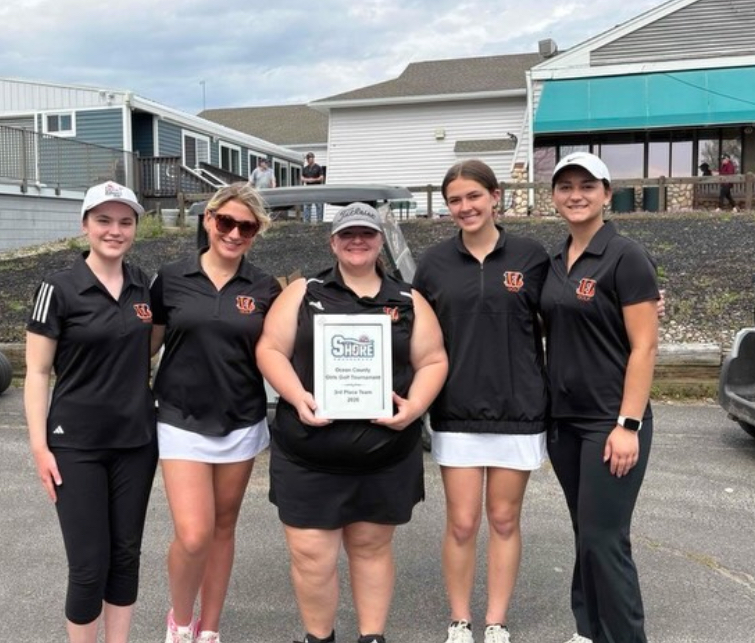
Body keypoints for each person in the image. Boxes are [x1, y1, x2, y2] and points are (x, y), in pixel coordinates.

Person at [257, 202, 448, 643]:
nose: (357, 241)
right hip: (308, 454)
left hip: (382, 455)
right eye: (347, 235)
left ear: (380, 241)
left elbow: (434, 359)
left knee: (371, 549)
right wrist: (296, 396)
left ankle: (371, 637)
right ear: (333, 242)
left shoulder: (406, 300)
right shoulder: (304, 292)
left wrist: (414, 407)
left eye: (366, 234)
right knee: (311, 555)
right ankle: (318, 637)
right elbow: (269, 349)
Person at [412, 160, 550, 643]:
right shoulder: (433, 264)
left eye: (474, 196)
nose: (465, 207)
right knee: (464, 521)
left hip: (520, 410)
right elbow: (409, 330)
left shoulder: (532, 257)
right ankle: (459, 620)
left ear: (496, 196)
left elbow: (572, 310)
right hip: (457, 410)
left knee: (505, 519)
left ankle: (495, 621)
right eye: (455, 200)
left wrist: (643, 299)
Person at [23, 181, 158, 643]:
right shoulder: (57, 288)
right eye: (103, 220)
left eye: (124, 221)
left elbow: (151, 345)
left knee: (125, 555)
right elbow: (37, 373)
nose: (114, 230)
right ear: (85, 226)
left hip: (137, 443)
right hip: (75, 444)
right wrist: (40, 447)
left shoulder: (145, 284)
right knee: (87, 564)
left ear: (135, 228)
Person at [151, 183, 281, 643]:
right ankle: (180, 622)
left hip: (240, 420)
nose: (233, 233)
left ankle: (210, 629)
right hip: (180, 420)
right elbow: (148, 346)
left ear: (256, 232)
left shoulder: (265, 287)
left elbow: (282, 351)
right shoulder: (170, 277)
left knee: (223, 529)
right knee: (194, 534)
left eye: (246, 227)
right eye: (225, 222)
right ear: (208, 220)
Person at [542, 152, 659, 643]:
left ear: (607, 194)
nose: (576, 195)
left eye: (587, 186)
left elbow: (645, 345)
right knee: (585, 534)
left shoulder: (625, 255)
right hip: (563, 422)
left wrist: (627, 424)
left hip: (610, 423)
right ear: (553, 197)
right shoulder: (552, 262)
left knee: (605, 538)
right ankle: (588, 629)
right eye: (565, 186)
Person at [301, 152, 325, 222]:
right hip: (308, 190)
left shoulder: (318, 167)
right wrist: (308, 180)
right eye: (309, 159)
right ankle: (307, 222)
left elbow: (321, 178)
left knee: (319, 206)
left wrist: (313, 180)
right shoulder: (305, 169)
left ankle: (319, 221)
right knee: (307, 206)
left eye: (311, 158)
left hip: (317, 189)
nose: (310, 160)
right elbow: (302, 178)